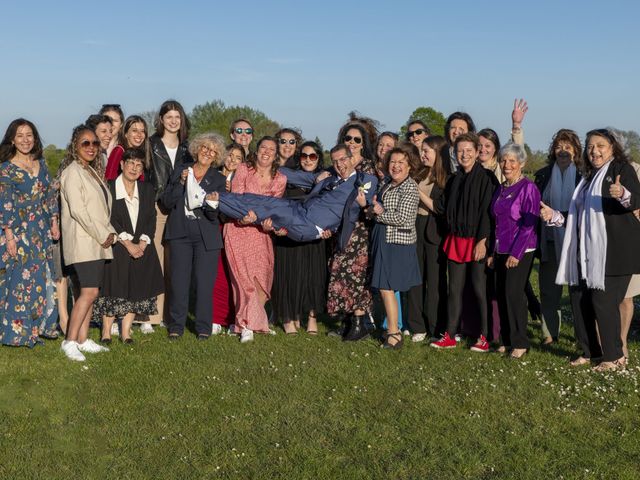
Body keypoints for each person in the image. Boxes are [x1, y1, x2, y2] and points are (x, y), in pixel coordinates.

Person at [546, 129, 640, 371]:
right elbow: (580, 216)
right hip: (584, 252)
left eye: (600, 145)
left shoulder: (621, 168)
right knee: (580, 301)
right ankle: (590, 352)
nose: (594, 150)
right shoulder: (588, 178)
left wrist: (622, 194)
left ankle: (614, 357)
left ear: (612, 147)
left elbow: (636, 200)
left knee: (603, 301)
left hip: (614, 253)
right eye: (590, 147)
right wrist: (554, 215)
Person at [430, 133, 498, 352]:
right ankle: (450, 335)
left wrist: (483, 241)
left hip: (478, 240)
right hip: (456, 240)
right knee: (454, 290)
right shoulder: (453, 179)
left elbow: (489, 213)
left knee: (480, 290)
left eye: (469, 150)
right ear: (455, 153)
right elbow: (441, 208)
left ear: (478, 152)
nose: (465, 154)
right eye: (460, 151)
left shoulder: (487, 177)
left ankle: (485, 336)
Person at [93, 149, 164, 343]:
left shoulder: (147, 189)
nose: (134, 168)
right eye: (131, 163)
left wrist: (143, 241)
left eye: (139, 164)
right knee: (113, 287)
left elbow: (151, 216)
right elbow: (109, 218)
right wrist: (127, 243)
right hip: (117, 245)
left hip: (142, 245)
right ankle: (106, 331)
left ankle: (126, 332)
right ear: (122, 165)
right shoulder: (109, 187)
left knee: (137, 287)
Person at [59, 124, 116, 361]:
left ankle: (83, 339)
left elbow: (100, 208)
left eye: (95, 143)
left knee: (90, 291)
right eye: (85, 143)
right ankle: (70, 341)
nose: (91, 147)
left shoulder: (90, 170)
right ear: (75, 145)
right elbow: (80, 211)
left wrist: (108, 231)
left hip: (96, 240)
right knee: (89, 292)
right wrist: (103, 233)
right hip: (84, 241)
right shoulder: (72, 172)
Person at [221, 137, 286, 343]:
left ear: (276, 155)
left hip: (261, 234)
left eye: (271, 149)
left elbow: (275, 209)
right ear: (256, 151)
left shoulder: (280, 179)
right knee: (243, 280)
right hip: (238, 229)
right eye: (263, 148)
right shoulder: (243, 170)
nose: (266, 152)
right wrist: (242, 217)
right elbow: (236, 199)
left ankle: (249, 322)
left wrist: (271, 224)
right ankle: (246, 325)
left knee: (262, 279)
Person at [0, 119, 60, 347]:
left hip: (42, 228)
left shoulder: (41, 163)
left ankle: (43, 326)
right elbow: (4, 203)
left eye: (29, 135)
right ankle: (18, 332)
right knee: (19, 280)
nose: (25, 140)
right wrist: (9, 236)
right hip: (18, 230)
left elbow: (49, 195)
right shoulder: (5, 168)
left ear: (35, 138)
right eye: (19, 136)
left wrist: (54, 220)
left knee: (42, 277)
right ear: (12, 140)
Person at [162, 133, 227, 340]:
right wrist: (180, 184)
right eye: (205, 148)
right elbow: (167, 201)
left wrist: (214, 204)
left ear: (216, 156)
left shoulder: (218, 179)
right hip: (180, 232)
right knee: (179, 282)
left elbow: (212, 215)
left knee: (204, 283)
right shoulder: (181, 170)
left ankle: (203, 327)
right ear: (197, 149)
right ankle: (176, 325)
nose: (208, 153)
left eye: (213, 151)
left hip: (206, 236)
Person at [271, 141, 329, 335]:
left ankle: (312, 318)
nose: (308, 160)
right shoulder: (286, 177)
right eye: (304, 156)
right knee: (289, 276)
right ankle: (289, 317)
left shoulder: (327, 180)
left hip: (315, 237)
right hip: (289, 234)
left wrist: (330, 229)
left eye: (312, 156)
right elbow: (278, 205)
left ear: (318, 158)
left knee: (313, 277)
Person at [489, 143, 540, 358]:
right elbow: (497, 223)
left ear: (521, 163)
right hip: (501, 248)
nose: (507, 164)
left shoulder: (529, 188)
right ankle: (507, 339)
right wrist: (493, 252)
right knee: (501, 294)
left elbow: (529, 225)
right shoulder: (501, 188)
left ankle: (520, 342)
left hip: (521, 250)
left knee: (514, 294)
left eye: (512, 161)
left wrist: (515, 254)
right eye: (503, 160)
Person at [369, 146, 421, 349]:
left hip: (397, 243)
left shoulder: (409, 187)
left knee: (387, 286)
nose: (396, 166)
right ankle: (391, 329)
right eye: (393, 162)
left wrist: (379, 213)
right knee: (384, 286)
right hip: (383, 238)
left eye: (401, 162)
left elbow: (405, 219)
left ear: (409, 166)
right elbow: (377, 207)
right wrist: (372, 209)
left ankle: (394, 334)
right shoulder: (386, 184)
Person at [534, 129, 583, 345]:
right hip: (550, 240)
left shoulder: (584, 176)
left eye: (568, 147)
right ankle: (549, 333)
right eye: (558, 147)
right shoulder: (543, 175)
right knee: (549, 290)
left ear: (576, 151)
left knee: (577, 292)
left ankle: (582, 336)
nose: (563, 151)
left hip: (577, 242)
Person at [148, 99, 193, 331]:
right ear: (161, 120)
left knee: (174, 265)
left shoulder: (188, 148)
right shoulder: (151, 145)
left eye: (178, 117)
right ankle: (150, 316)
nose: (174, 121)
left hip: (180, 209)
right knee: (154, 262)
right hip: (157, 207)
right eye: (169, 117)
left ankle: (169, 315)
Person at [407, 135, 449, 342]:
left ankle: (436, 325)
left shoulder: (446, 178)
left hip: (433, 230)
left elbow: (439, 208)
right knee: (415, 279)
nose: (422, 154)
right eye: (421, 150)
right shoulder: (418, 173)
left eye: (426, 151)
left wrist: (418, 193)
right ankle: (417, 325)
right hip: (414, 227)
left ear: (438, 153)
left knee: (435, 281)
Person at [211, 143, 245, 334]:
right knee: (217, 275)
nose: (232, 160)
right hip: (215, 228)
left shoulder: (242, 180)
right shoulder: (213, 175)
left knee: (235, 275)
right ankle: (216, 318)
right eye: (230, 155)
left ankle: (234, 319)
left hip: (235, 229)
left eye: (238, 157)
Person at [104, 115, 151, 181]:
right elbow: (109, 179)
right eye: (134, 130)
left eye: (142, 131)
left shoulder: (142, 153)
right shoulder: (119, 151)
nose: (139, 134)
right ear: (126, 134)